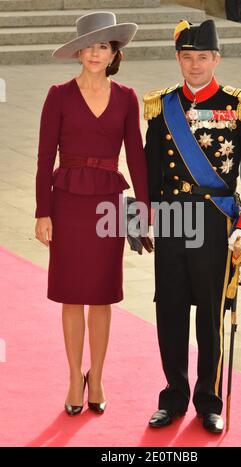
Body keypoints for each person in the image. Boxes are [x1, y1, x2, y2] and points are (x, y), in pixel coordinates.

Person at [144, 19, 241, 433]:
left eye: (202, 57)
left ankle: (208, 400)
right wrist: (141, 218)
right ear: (177, 59)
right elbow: (150, 173)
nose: (194, 65)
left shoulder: (239, 105)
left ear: (217, 58)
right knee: (171, 311)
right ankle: (173, 396)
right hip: (173, 221)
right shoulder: (163, 107)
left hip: (215, 223)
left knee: (213, 315)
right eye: (186, 57)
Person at [34, 12, 150, 416]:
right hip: (66, 203)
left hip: (108, 206)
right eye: (89, 45)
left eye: (104, 45)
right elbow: (44, 156)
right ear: (78, 51)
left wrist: (146, 210)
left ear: (113, 52)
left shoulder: (127, 97)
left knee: (101, 296)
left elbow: (136, 155)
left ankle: (96, 377)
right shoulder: (58, 95)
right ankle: (72, 377)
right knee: (70, 295)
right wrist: (41, 212)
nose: (96, 53)